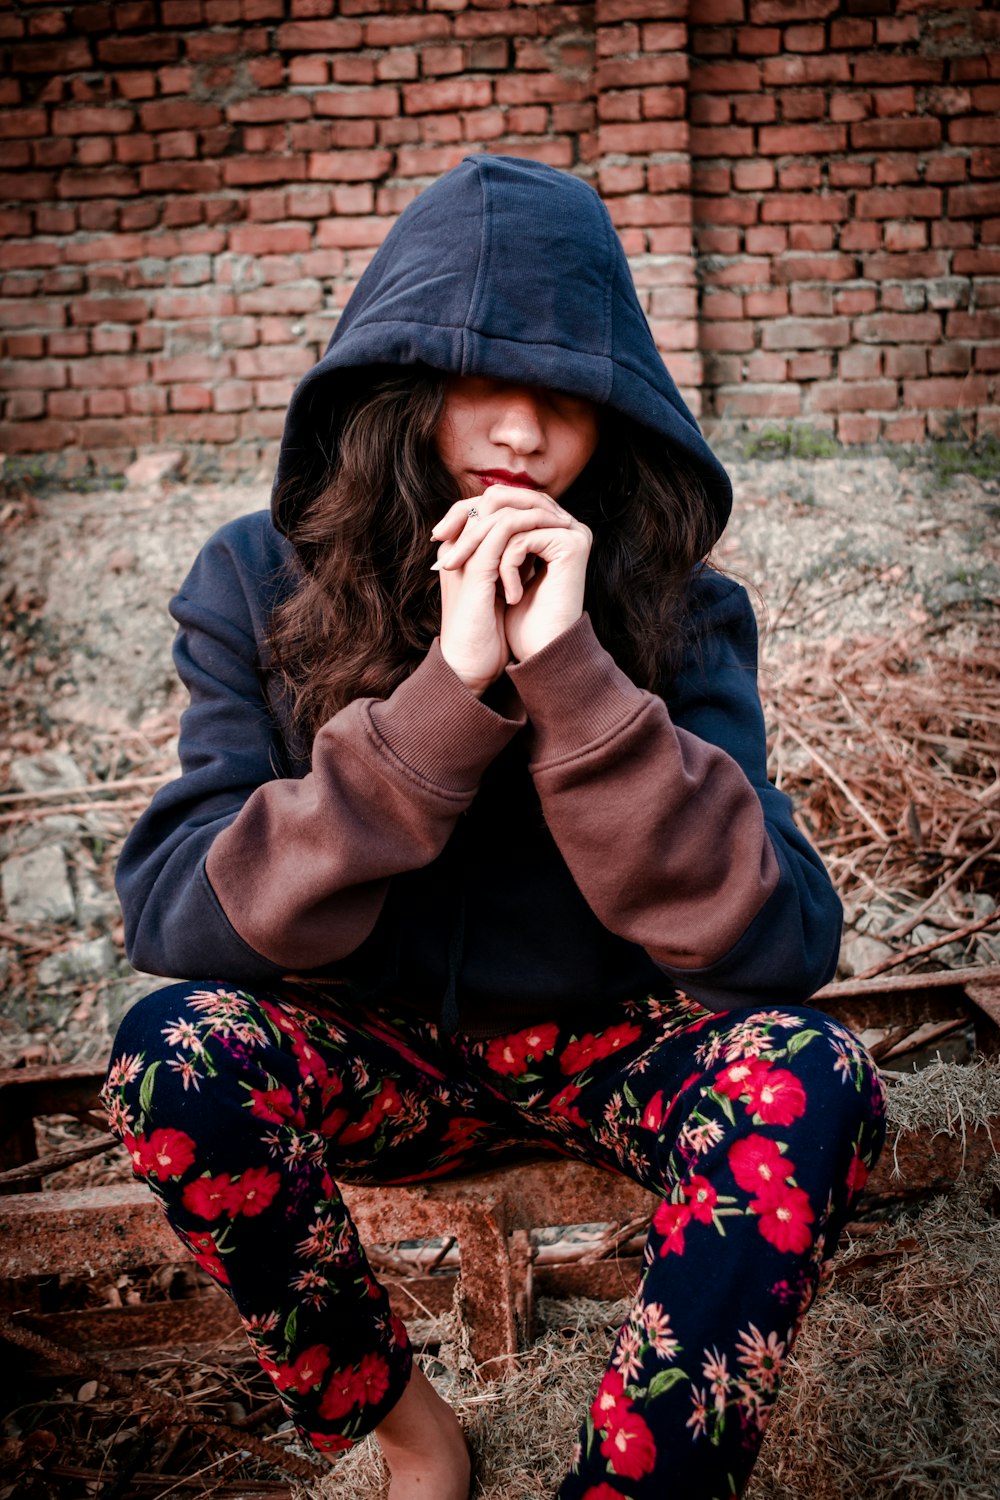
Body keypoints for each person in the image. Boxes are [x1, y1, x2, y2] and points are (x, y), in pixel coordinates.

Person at [103, 155, 885, 1500]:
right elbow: (179, 919)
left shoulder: (683, 607)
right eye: (481, 380)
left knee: (815, 1069)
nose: (523, 432)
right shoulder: (251, 579)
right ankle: (413, 1433)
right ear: (400, 387)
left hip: (611, 1050)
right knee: (170, 1059)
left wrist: (572, 671)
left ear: (617, 424)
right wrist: (445, 695)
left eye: (569, 398)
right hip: (371, 1050)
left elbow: (777, 948)